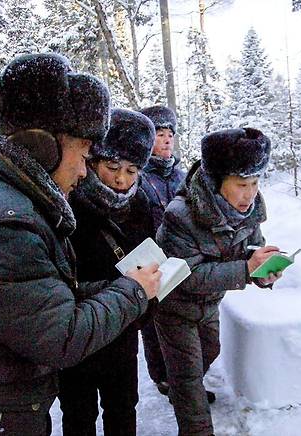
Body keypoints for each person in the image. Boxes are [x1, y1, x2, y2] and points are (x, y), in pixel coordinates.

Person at [0, 53, 160, 435]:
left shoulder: (8, 205)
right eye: (84, 155)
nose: (83, 171)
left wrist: (112, 287)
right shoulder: (2, 222)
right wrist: (132, 292)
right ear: (45, 147)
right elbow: (61, 336)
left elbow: (40, 294)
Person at [155, 127, 282, 436]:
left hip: (210, 304)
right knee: (188, 381)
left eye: (254, 183)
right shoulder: (180, 215)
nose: (249, 193)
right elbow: (188, 277)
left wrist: (265, 273)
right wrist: (245, 269)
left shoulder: (249, 212)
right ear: (215, 182)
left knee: (206, 356)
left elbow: (251, 251)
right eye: (241, 184)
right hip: (174, 306)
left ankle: (181, 389)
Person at [59, 108, 156, 436]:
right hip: (79, 331)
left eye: (131, 170)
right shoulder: (67, 203)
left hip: (122, 331)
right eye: (113, 167)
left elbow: (150, 255)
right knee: (78, 412)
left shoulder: (140, 203)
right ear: (92, 160)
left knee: (123, 406)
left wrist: (147, 298)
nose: (121, 179)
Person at [138, 105, 185, 395]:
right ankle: (163, 377)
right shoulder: (138, 175)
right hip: (151, 260)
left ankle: (185, 379)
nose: (167, 140)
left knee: (181, 324)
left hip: (182, 259)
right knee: (154, 325)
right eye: (160, 134)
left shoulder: (181, 176)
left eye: (170, 134)